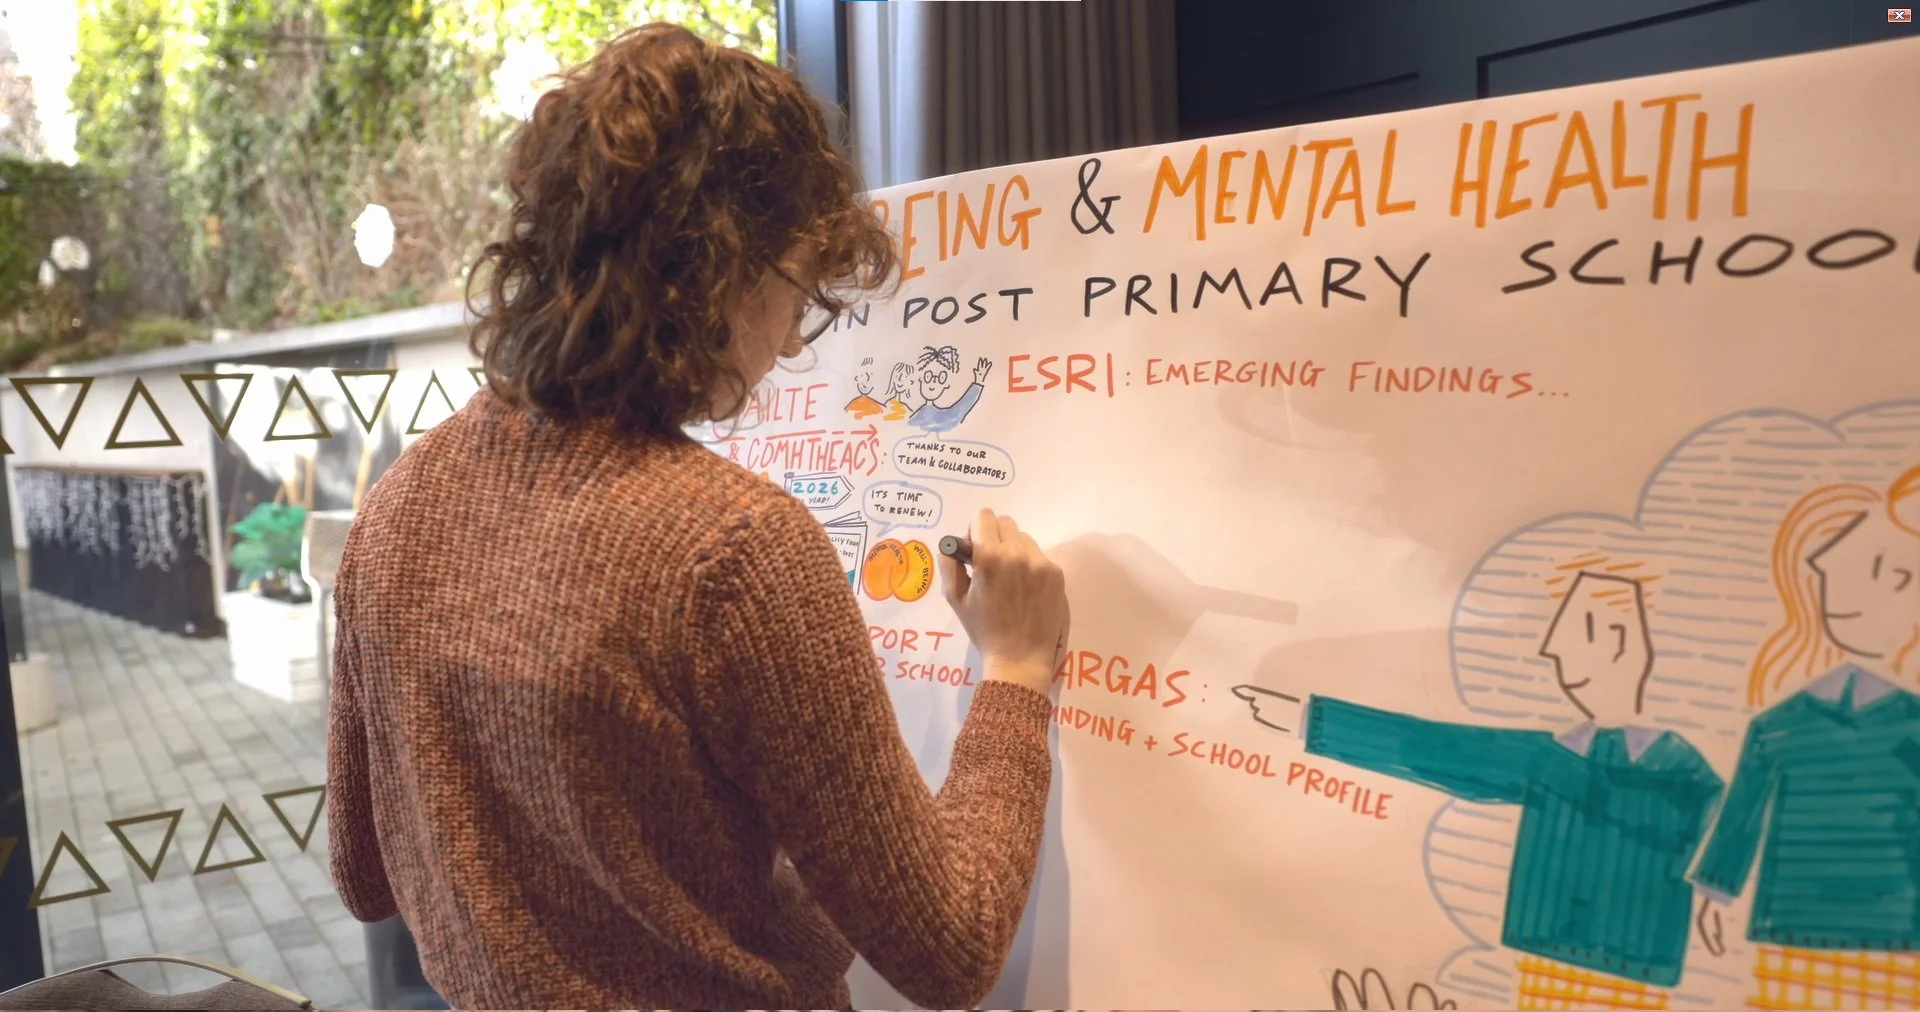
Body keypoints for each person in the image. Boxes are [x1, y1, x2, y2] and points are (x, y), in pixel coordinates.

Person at [324, 24, 1071, 1012]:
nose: (796, 339)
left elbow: (364, 873)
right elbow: (953, 950)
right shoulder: (731, 552)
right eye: (800, 288)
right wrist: (1016, 673)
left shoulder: (399, 504)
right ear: (720, 275)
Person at [1235, 569, 1724, 1005]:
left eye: (1572, 631)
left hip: (1635, 970)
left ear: (1616, 639)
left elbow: (1727, 825)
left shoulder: (1681, 771)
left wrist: (1714, 892)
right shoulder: (1554, 757)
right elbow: (1436, 750)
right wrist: (1310, 721)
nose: (1551, 647)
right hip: (1543, 964)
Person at [1690, 465, 1920, 1012]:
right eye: (1837, 570)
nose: (1847, 590)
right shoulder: (1777, 725)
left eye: (1895, 575)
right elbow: (1739, 820)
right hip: (1793, 929)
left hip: (1899, 931)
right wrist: (1713, 893)